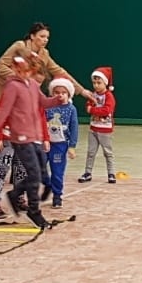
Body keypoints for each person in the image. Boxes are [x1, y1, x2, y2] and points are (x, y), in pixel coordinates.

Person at [0, 22, 78, 188]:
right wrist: (19, 79)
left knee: (17, 137)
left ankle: (16, 177)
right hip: (4, 92)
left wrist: (82, 90)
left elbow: (59, 71)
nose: (45, 40)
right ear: (32, 36)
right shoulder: (19, 46)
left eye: (47, 37)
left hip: (23, 99)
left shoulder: (44, 54)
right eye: (42, 36)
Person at [0, 54, 62, 230]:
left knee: (41, 172)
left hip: (34, 136)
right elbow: (3, 111)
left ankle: (15, 194)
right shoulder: (12, 86)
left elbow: (43, 103)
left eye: (27, 70)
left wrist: (58, 99)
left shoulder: (34, 85)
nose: (23, 74)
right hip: (19, 137)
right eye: (19, 70)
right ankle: (34, 211)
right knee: (34, 175)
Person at [42, 78, 80, 208]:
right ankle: (47, 185)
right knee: (39, 168)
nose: (60, 95)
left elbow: (74, 128)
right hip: (45, 143)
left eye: (63, 92)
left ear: (69, 94)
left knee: (57, 171)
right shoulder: (47, 107)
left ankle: (57, 195)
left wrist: (72, 146)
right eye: (56, 92)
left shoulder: (71, 109)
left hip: (60, 145)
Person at [77, 66, 117, 184]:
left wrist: (93, 110)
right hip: (93, 128)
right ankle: (88, 173)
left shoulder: (109, 96)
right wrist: (91, 108)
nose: (96, 85)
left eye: (99, 83)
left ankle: (111, 174)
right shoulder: (93, 95)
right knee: (91, 152)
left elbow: (106, 110)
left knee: (108, 152)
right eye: (94, 83)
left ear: (105, 83)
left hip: (105, 129)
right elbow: (87, 106)